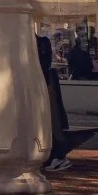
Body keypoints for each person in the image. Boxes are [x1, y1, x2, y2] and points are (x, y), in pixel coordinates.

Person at [37, 32, 71, 173]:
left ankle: (56, 156)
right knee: (50, 121)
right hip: (44, 85)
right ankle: (55, 156)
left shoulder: (39, 42)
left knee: (51, 122)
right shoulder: (41, 42)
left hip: (43, 86)